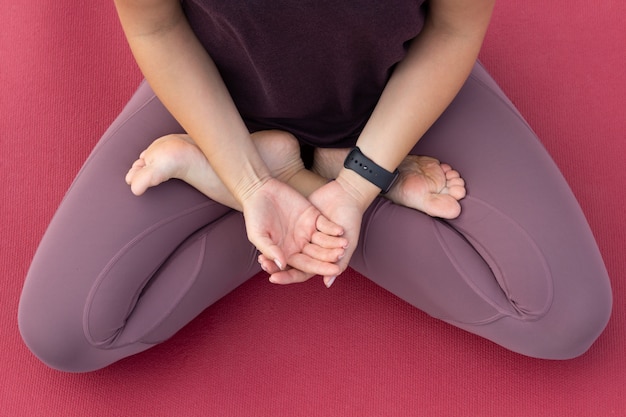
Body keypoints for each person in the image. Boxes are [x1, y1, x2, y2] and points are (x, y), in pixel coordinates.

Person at [18, 0, 612, 372]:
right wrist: (249, 181)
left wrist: (359, 183)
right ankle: (287, 173)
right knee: (66, 331)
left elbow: (453, 31)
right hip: (224, 105)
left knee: (563, 317)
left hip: (395, 92)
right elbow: (158, 26)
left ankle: (302, 174)